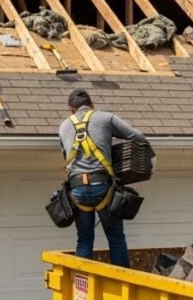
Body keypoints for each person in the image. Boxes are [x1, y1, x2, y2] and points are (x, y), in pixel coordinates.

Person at [58, 89, 148, 268]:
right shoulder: (106, 118)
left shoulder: (63, 127)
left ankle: (81, 289)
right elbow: (137, 137)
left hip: (77, 191)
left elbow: (65, 155)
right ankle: (121, 284)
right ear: (92, 105)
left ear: (71, 110)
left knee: (84, 240)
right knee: (115, 237)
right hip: (102, 187)